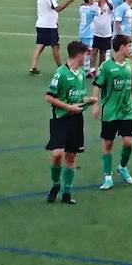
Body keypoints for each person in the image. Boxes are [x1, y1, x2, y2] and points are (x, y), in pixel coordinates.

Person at [92, 34, 132, 191]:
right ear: (121, 47)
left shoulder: (129, 64)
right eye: (129, 46)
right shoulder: (106, 66)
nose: (131, 49)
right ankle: (107, 177)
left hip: (126, 111)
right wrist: (95, 105)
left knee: (128, 142)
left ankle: (122, 167)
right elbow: (97, 85)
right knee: (108, 143)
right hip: (110, 111)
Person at [45, 41, 96, 205]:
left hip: (76, 120)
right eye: (84, 54)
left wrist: (88, 100)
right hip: (60, 119)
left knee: (71, 156)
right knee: (57, 154)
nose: (86, 58)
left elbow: (79, 97)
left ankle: (67, 192)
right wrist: (68, 107)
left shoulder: (80, 74)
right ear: (78, 55)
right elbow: (49, 97)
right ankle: (55, 184)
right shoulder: (60, 73)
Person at [31, 0, 76, 76]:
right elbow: (57, 8)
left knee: (40, 45)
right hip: (49, 26)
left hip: (41, 24)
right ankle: (61, 68)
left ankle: (33, 67)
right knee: (55, 46)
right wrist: (69, 0)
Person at [91, 0, 114, 73]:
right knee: (94, 51)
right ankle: (92, 69)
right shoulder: (94, 6)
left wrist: (106, 1)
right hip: (97, 33)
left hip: (106, 33)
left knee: (103, 53)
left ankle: (100, 69)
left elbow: (112, 8)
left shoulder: (108, 5)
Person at [78, 0, 99, 77]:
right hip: (88, 34)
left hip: (82, 32)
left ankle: (85, 69)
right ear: (89, 0)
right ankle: (86, 71)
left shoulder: (82, 8)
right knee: (88, 52)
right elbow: (99, 12)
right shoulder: (91, 10)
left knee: (84, 51)